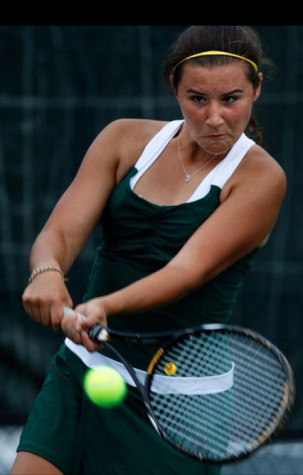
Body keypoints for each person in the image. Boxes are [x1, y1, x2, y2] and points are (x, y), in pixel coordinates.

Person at [11, 25, 286, 475]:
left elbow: (187, 271)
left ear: (255, 90)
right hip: (85, 367)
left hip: (179, 403)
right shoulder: (122, 139)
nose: (215, 117)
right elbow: (59, 232)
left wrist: (102, 305)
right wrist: (45, 271)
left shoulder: (261, 178)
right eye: (198, 99)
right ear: (174, 89)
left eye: (231, 99)